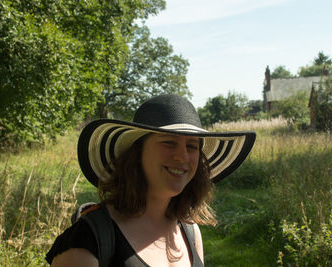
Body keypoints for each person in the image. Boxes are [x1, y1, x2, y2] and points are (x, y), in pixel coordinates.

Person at [46, 94, 256, 267]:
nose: (182, 157)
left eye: (191, 146)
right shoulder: (88, 241)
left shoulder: (189, 231)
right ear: (137, 153)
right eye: (168, 142)